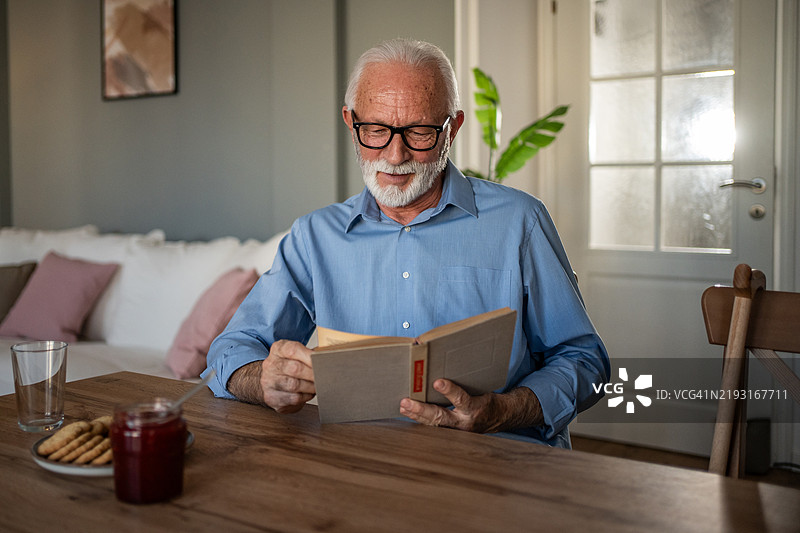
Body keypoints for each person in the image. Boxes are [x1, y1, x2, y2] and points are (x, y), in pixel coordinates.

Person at [204, 38, 610, 448]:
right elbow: (232, 350)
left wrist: (502, 411)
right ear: (350, 122)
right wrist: (264, 379)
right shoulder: (314, 237)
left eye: (419, 132)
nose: (395, 155)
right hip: (365, 469)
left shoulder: (520, 222)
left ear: (452, 128)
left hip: (498, 465)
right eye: (376, 130)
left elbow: (584, 360)